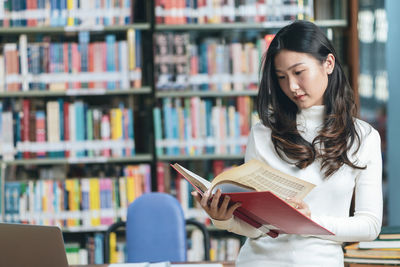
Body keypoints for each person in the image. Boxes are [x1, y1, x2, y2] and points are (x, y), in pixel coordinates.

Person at [192, 20, 382, 266]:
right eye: (281, 77)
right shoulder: (262, 133)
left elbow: (369, 225)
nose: (291, 86)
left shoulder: (363, 137)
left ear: (328, 63)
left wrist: (310, 221)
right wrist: (224, 219)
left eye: (299, 73)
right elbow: (256, 228)